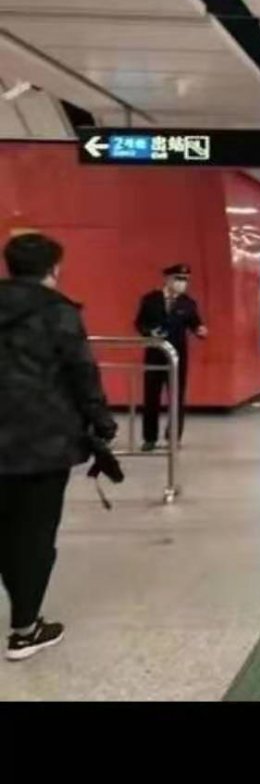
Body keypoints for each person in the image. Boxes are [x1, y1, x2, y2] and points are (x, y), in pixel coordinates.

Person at [0, 232, 116, 661]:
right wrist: (101, 422)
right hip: (42, 441)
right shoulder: (58, 312)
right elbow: (82, 373)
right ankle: (25, 629)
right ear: (54, 267)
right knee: (33, 534)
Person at [135, 263, 207, 449]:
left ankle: (174, 437)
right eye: (178, 279)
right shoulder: (150, 300)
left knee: (176, 397)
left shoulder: (188, 303)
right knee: (151, 396)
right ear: (167, 279)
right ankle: (149, 438)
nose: (182, 283)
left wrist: (200, 330)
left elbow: (195, 324)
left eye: (185, 280)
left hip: (177, 357)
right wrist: (149, 332)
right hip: (154, 354)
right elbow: (139, 323)